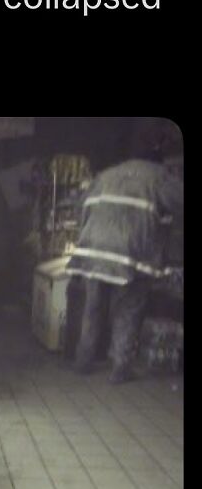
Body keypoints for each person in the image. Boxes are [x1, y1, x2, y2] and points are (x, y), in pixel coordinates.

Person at [66, 154, 183, 383]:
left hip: (94, 249)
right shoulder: (159, 176)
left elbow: (80, 203)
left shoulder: (107, 174)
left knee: (93, 306)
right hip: (130, 252)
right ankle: (120, 367)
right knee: (128, 308)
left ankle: (83, 360)